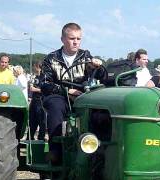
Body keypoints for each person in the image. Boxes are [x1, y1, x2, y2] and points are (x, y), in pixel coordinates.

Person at [40, 22, 105, 163]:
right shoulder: (51, 59)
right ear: (63, 39)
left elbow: (101, 76)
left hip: (82, 97)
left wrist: (98, 67)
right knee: (55, 106)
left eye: (78, 39)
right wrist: (66, 91)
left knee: (99, 111)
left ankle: (98, 151)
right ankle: (56, 151)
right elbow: (44, 84)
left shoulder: (86, 56)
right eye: (72, 38)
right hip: (59, 97)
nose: (76, 42)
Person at [28, 61, 46, 140]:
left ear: (38, 67)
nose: (34, 69)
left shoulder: (44, 77)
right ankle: (30, 138)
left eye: (35, 67)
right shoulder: (35, 77)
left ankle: (41, 138)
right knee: (32, 121)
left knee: (41, 121)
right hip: (34, 101)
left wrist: (35, 89)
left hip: (41, 101)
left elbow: (46, 90)